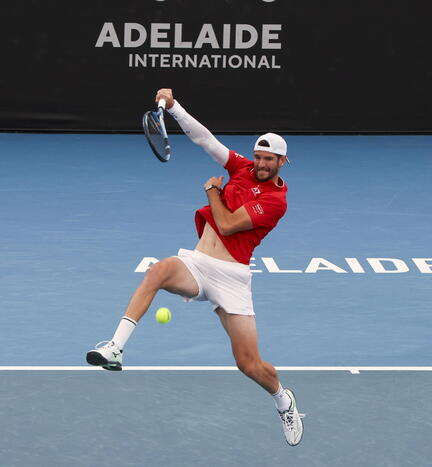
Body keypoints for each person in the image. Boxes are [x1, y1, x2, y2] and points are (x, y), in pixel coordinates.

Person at [85, 89, 304, 446]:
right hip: (198, 263)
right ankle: (115, 347)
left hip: (232, 277)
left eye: (270, 160)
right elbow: (205, 139)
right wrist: (174, 108)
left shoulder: (277, 201)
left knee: (249, 365)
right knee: (157, 271)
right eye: (259, 157)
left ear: (283, 162)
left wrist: (212, 191)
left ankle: (283, 399)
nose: (261, 164)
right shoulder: (241, 167)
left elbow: (230, 224)